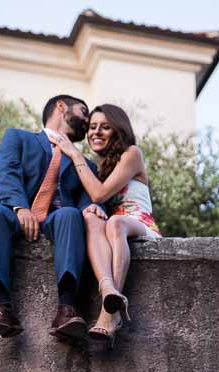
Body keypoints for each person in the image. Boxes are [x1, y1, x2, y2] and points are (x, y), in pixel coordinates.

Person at [0, 95, 103, 343]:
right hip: (18, 214)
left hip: (59, 221)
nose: (88, 120)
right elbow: (6, 171)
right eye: (84, 111)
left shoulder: (85, 163)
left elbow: (90, 198)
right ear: (61, 107)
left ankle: (67, 309)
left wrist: (92, 208)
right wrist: (20, 207)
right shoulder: (19, 137)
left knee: (70, 214)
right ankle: (2, 309)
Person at [49, 104, 161, 346]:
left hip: (139, 223)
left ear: (118, 130)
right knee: (92, 217)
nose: (96, 132)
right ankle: (108, 289)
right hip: (113, 227)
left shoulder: (132, 154)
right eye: (92, 127)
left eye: (105, 127)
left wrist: (74, 154)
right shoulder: (98, 168)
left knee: (115, 223)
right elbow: (95, 201)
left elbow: (99, 194)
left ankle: (109, 312)